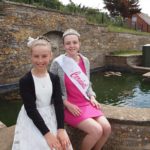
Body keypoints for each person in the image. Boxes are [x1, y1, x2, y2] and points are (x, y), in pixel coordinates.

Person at [50, 29, 111, 150]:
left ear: (79, 44)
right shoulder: (57, 63)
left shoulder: (85, 61)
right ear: (63, 45)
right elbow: (51, 89)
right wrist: (66, 103)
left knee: (107, 128)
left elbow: (87, 84)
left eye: (74, 42)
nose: (71, 46)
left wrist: (92, 97)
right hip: (68, 107)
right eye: (68, 43)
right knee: (96, 130)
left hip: (86, 102)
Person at [12, 36, 73, 150]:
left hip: (50, 115)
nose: (40, 61)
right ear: (31, 56)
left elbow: (58, 103)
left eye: (44, 56)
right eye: (36, 56)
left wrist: (61, 128)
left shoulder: (54, 78)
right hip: (33, 118)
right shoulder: (25, 81)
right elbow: (31, 110)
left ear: (50, 56)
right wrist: (48, 134)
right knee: (46, 146)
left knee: (64, 145)